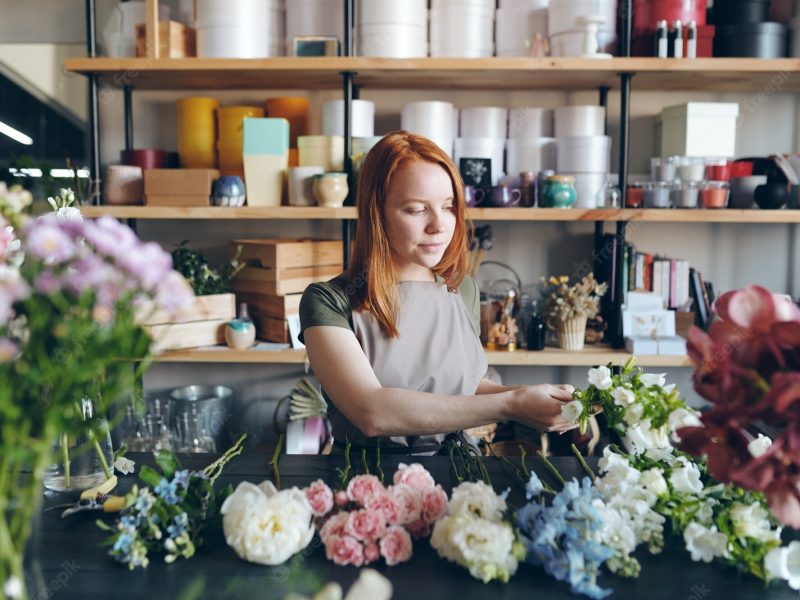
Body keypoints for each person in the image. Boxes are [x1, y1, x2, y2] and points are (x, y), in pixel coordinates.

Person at [299, 131, 577, 455]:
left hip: (462, 477)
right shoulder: (328, 301)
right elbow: (372, 412)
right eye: (417, 210)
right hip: (371, 484)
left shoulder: (462, 290)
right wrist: (512, 404)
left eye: (448, 207)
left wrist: (539, 397)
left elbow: (462, 390)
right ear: (377, 213)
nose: (439, 226)